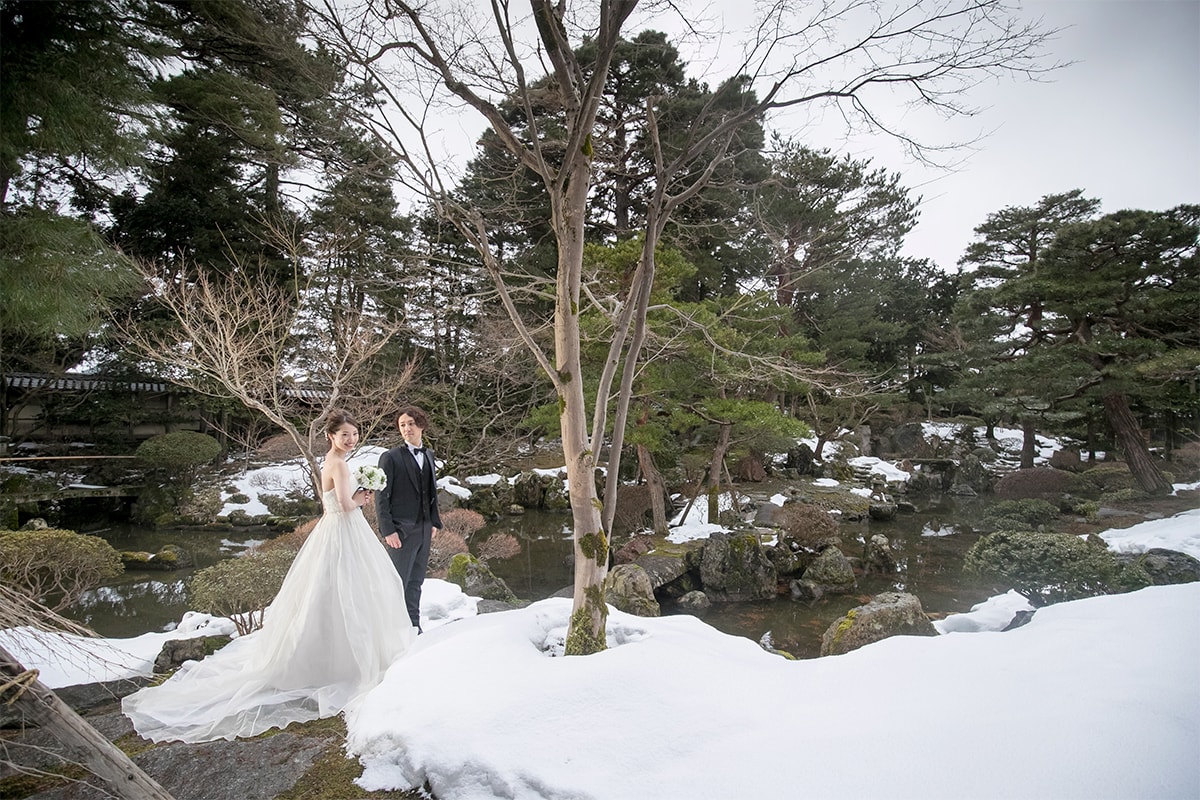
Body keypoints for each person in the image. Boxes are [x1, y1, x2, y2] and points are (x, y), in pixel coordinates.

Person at [122, 410, 416, 743]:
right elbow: (347, 506)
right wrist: (363, 496)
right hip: (345, 530)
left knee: (331, 593)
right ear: (331, 436)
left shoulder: (328, 461)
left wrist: (356, 495)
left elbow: (327, 505)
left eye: (354, 433)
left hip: (334, 531)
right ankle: (345, 662)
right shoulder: (339, 463)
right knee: (349, 591)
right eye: (345, 434)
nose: (351, 439)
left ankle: (329, 654)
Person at [376, 405, 442, 633]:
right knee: (397, 583)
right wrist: (388, 530)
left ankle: (414, 626)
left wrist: (433, 521)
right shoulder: (390, 458)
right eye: (402, 425)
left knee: (416, 582)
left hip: (424, 528)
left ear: (421, 425)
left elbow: (431, 491)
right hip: (401, 531)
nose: (406, 429)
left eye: (411, 424)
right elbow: (381, 497)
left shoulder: (429, 455)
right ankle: (392, 630)